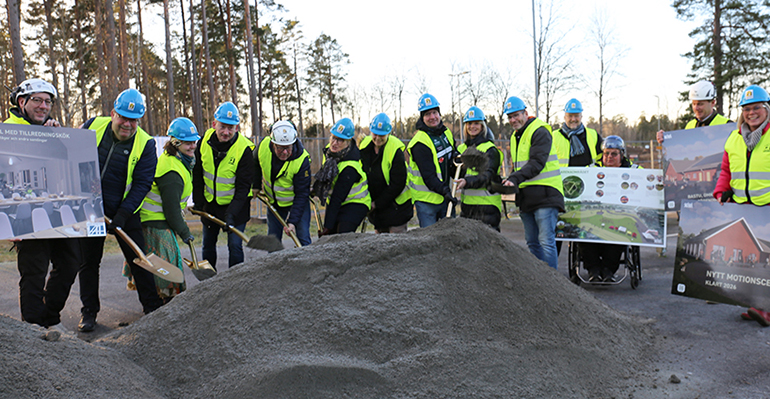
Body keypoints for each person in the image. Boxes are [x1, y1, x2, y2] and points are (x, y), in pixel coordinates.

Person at [78, 88, 162, 332]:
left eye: (133, 120)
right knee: (89, 262)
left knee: (139, 259)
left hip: (124, 211)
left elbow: (142, 184)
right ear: (113, 113)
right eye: (123, 117)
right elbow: (72, 157)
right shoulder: (93, 125)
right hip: (90, 209)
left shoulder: (145, 144)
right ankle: (89, 312)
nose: (127, 124)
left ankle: (151, 307)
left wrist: (123, 215)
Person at [5, 78, 80, 330]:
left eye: (48, 101)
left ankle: (50, 317)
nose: (43, 106)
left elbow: (64, 165)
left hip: (56, 210)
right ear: (22, 101)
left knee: (70, 264)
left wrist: (56, 137)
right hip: (24, 213)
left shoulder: (52, 129)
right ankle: (34, 328)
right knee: (34, 273)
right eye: (37, 100)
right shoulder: (7, 130)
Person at [713, 84, 770, 327]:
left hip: (766, 206)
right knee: (750, 260)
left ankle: (764, 308)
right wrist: (721, 191)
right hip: (742, 207)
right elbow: (726, 170)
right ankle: (755, 305)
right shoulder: (734, 138)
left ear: (766, 108)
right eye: (746, 109)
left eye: (756, 107)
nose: (751, 113)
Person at [130, 117, 199, 302]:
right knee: (168, 269)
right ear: (176, 143)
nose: (192, 146)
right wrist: (185, 233)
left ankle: (161, 303)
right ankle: (164, 306)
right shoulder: (171, 171)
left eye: (194, 141)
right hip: (155, 224)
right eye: (187, 143)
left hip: (158, 221)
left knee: (161, 269)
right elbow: (171, 210)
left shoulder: (176, 161)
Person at [501, 96, 564, 270]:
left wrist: (514, 178)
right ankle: (540, 282)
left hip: (546, 194)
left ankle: (553, 284)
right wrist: (510, 180)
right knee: (532, 242)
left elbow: (537, 163)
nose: (513, 120)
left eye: (516, 115)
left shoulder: (540, 130)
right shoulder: (515, 137)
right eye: (510, 117)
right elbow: (519, 166)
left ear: (525, 113)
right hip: (527, 196)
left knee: (546, 241)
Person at [193, 102, 255, 270]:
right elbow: (197, 173)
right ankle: (208, 281)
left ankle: (235, 283)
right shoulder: (204, 141)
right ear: (214, 125)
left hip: (237, 207)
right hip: (211, 205)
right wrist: (198, 201)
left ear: (237, 128)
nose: (226, 132)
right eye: (222, 127)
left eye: (231, 128)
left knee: (234, 246)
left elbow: (243, 188)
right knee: (207, 245)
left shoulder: (244, 149)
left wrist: (231, 214)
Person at [580, 136, 640, 282]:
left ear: (622, 155)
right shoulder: (591, 169)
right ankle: (593, 269)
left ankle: (608, 270)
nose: (609, 157)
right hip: (595, 216)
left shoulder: (635, 170)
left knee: (619, 230)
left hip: (620, 216)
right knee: (582, 229)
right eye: (606, 153)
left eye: (614, 154)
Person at [253, 120, 312, 245]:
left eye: (288, 148)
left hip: (296, 203)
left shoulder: (302, 161)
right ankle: (273, 263)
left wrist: (292, 222)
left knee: (303, 239)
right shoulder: (263, 147)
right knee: (273, 240)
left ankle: (307, 262)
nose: (285, 152)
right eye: (280, 148)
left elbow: (302, 194)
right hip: (274, 203)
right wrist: (256, 185)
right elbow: (254, 164)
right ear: (273, 143)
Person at [311, 117, 371, 235]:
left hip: (356, 203)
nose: (334, 143)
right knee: (330, 237)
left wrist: (327, 228)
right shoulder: (330, 153)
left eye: (340, 140)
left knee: (342, 235)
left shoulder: (350, 166)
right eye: (333, 138)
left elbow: (337, 197)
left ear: (348, 142)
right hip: (336, 201)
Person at [407, 93, 457, 227]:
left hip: (444, 197)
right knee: (430, 242)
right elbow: (428, 176)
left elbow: (452, 155)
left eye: (435, 112)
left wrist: (457, 158)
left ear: (440, 114)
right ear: (422, 117)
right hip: (427, 202)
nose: (432, 117)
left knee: (450, 237)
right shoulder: (419, 142)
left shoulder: (446, 133)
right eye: (427, 114)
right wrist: (446, 191)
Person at [359, 113, 412, 233]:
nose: (377, 138)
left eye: (382, 135)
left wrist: (376, 203)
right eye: (375, 134)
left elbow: (397, 184)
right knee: (379, 245)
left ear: (388, 133)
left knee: (396, 244)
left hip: (397, 206)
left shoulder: (395, 150)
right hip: (377, 210)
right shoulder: (364, 147)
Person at [454, 106, 503, 231]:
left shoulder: (490, 149)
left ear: (482, 126)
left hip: (487, 207)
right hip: (468, 207)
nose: (472, 126)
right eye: (469, 123)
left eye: (476, 123)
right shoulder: (461, 149)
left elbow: (488, 176)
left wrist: (466, 182)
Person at [656, 80, 731, 145]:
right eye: (694, 104)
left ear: (713, 102)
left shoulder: (728, 126)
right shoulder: (690, 126)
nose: (696, 108)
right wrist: (665, 139)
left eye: (700, 104)